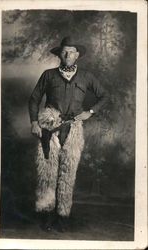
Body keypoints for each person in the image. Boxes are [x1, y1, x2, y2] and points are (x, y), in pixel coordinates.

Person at [29, 36, 108, 232]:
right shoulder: (48, 75)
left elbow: (104, 96)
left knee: (68, 173)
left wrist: (89, 112)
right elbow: (34, 99)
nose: (67, 54)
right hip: (50, 129)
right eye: (64, 51)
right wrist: (34, 122)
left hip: (73, 129)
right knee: (47, 172)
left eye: (71, 51)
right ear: (59, 54)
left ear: (77, 54)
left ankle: (62, 216)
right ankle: (47, 215)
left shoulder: (87, 76)